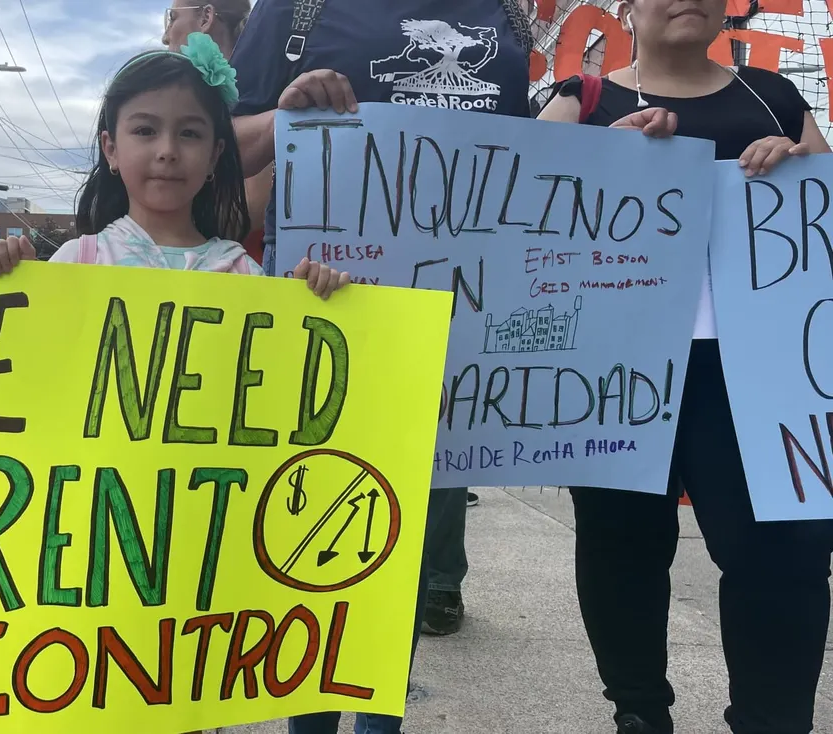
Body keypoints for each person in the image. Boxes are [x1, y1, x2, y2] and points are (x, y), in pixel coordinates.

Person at [225, 0, 533, 730]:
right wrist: (284, 118)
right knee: (308, 540)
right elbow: (220, 148)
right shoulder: (299, 12)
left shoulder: (504, 22)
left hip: (450, 326)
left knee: (395, 561)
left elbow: (522, 172)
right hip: (319, 320)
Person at [536, 1, 833, 733]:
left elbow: (824, 216)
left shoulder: (776, 97)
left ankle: (772, 718)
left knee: (785, 548)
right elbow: (528, 224)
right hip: (615, 367)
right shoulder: (580, 101)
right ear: (627, 10)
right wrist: (604, 159)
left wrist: (802, 164)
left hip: (758, 374)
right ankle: (639, 712)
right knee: (619, 542)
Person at [0, 31, 347, 301]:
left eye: (189, 133)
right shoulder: (79, 260)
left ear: (215, 154)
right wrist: (6, 279)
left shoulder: (243, 272)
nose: (167, 150)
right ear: (111, 149)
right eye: (145, 130)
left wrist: (310, 299)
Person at [161, 0, 272, 266]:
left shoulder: (262, 104)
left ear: (206, 17)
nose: (165, 37)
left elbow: (240, 216)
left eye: (172, 18)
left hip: (239, 278)